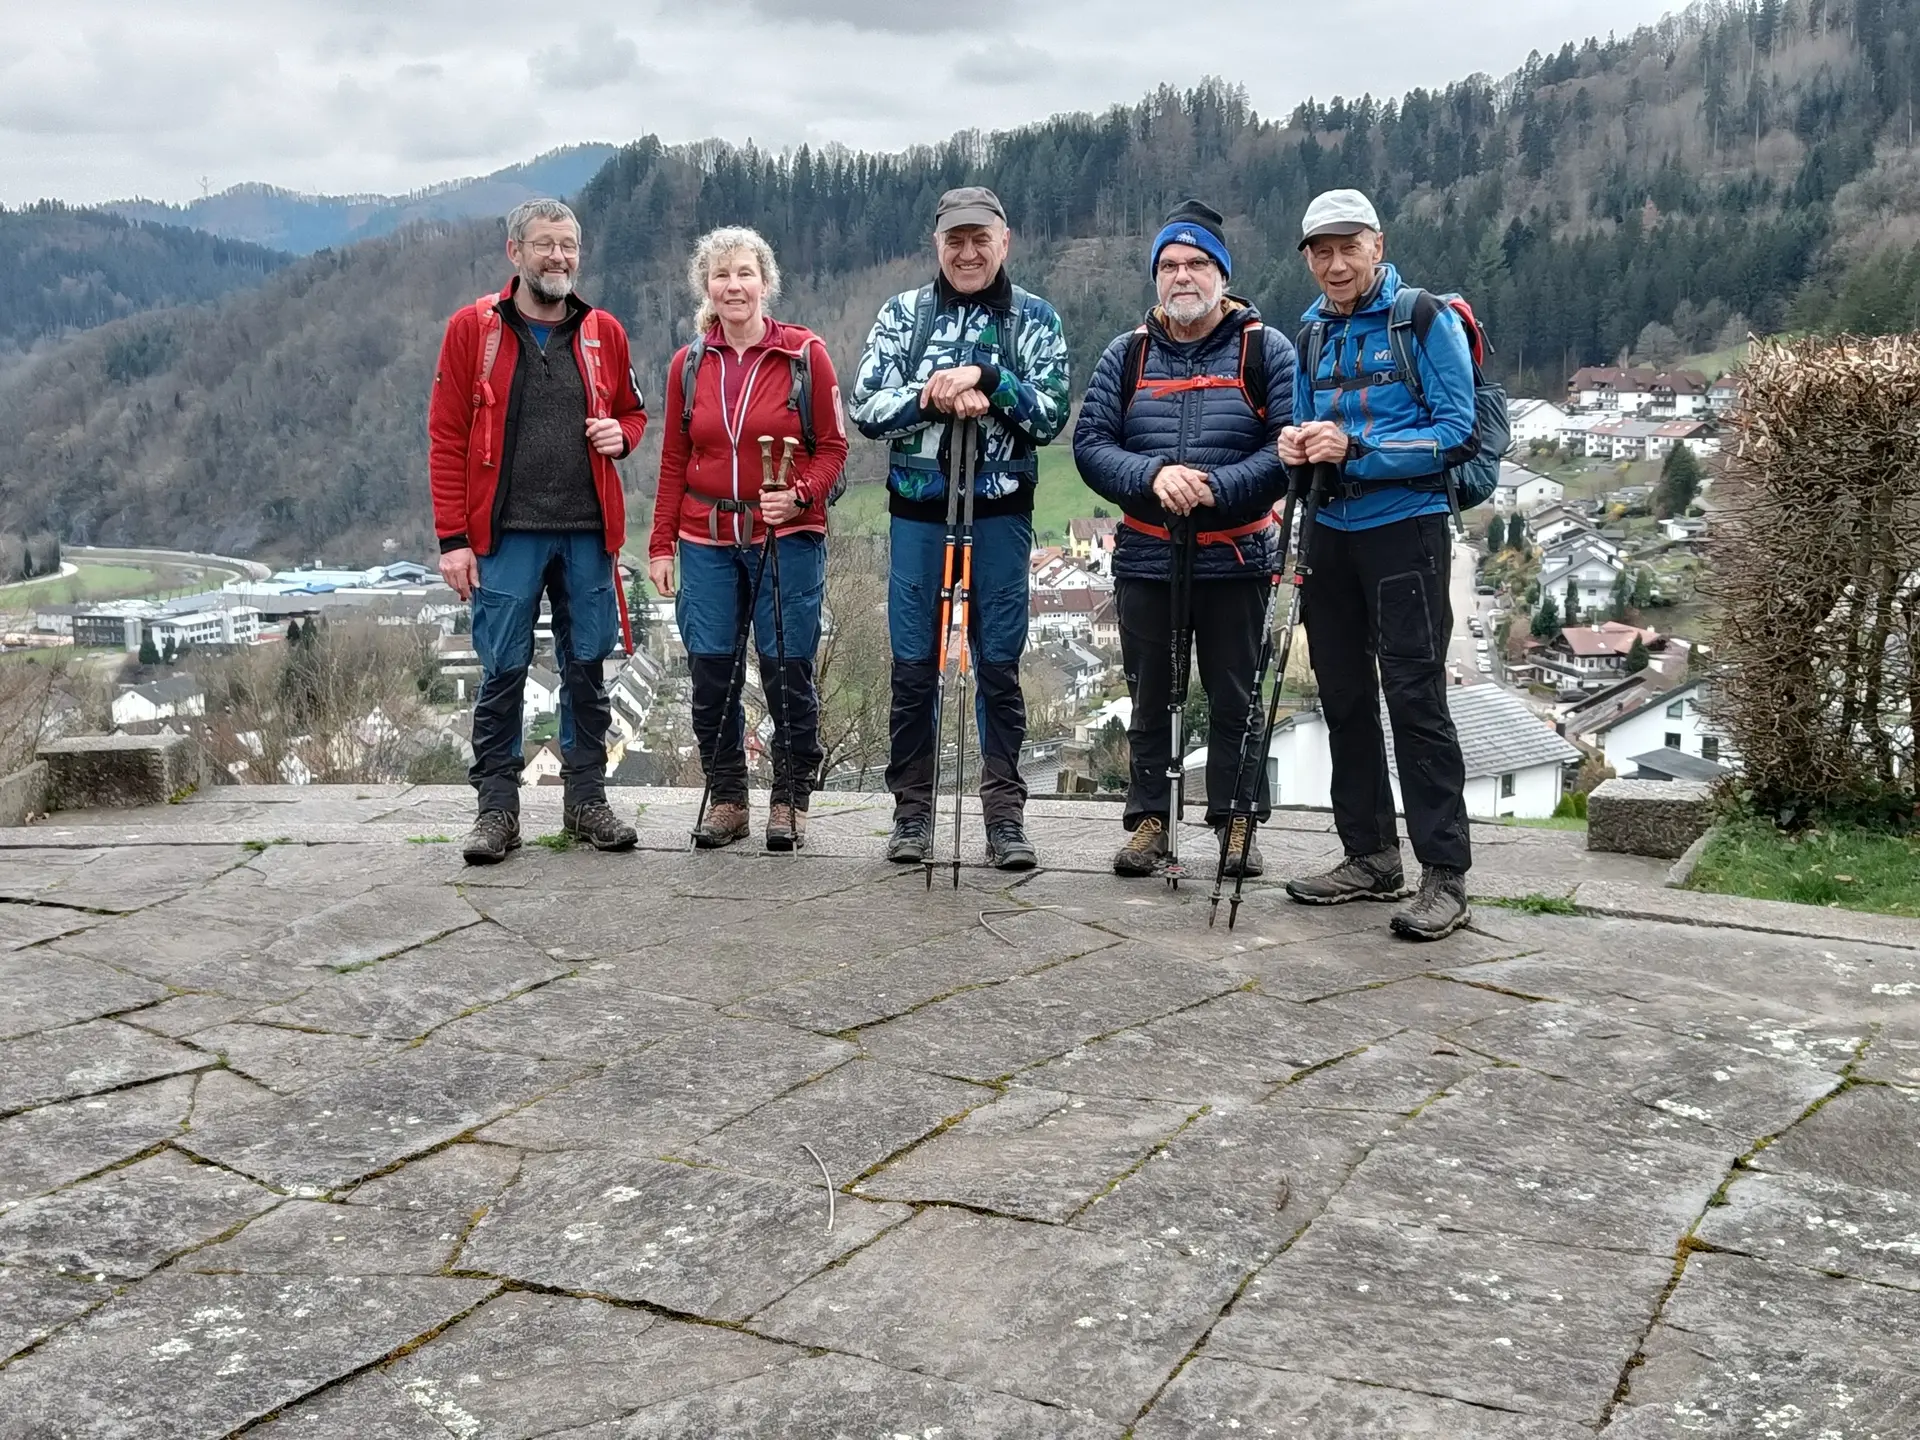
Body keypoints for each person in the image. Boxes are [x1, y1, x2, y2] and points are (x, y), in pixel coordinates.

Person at [1074, 200, 1297, 879]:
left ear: (1222, 274)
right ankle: (1150, 821)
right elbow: (1089, 446)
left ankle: (1236, 824)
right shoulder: (1126, 353)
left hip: (1235, 555)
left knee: (1235, 696)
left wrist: (1217, 488)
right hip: (1147, 555)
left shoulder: (1267, 350)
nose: (1182, 276)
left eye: (1197, 263)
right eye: (1169, 265)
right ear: (1155, 276)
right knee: (1148, 696)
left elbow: (1287, 449)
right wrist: (1153, 475)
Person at [850, 186, 1071, 870]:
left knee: (998, 666)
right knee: (914, 669)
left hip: (1001, 516)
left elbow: (1050, 413)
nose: (968, 252)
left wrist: (989, 377)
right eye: (955, 240)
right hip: (918, 515)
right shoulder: (902, 316)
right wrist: (930, 394)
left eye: (981, 239)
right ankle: (911, 815)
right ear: (937, 245)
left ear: (1004, 242)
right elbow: (866, 405)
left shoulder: (1034, 318)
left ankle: (1005, 819)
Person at [1277, 188, 1476, 940]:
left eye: (1347, 247)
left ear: (1377, 246)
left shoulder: (1422, 319)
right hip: (1329, 528)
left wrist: (1361, 449)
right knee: (1343, 696)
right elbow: (1302, 423)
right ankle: (1369, 856)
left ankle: (1446, 876)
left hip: (1406, 532)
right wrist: (1295, 449)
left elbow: (1456, 432)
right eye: (1320, 251)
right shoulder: (1310, 335)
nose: (1334, 263)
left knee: (1416, 697)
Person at [428, 198, 648, 865]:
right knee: (503, 672)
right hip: (506, 533)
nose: (559, 258)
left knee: (587, 670)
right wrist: (451, 540)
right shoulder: (475, 330)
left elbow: (633, 415)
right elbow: (445, 436)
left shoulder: (602, 332)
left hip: (587, 531)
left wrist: (622, 435)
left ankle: (587, 801)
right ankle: (497, 810)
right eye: (546, 245)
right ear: (515, 252)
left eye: (569, 246)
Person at [649, 226, 848, 851]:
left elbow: (835, 449)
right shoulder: (689, 366)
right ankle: (728, 797)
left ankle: (789, 800)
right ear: (705, 287)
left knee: (787, 669)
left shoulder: (803, 357)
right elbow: (674, 461)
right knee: (713, 672)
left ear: (766, 282)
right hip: (705, 539)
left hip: (786, 538)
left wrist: (801, 493)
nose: (733, 286)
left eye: (744, 273)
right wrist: (659, 544)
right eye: (720, 275)